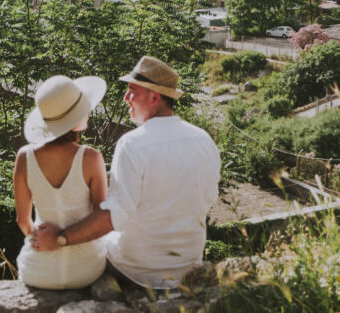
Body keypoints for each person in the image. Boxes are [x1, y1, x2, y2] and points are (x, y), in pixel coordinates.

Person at [31, 57, 221, 290]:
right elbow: (209, 198)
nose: (125, 98)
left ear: (154, 97)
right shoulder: (204, 140)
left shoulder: (133, 144)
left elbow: (113, 217)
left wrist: (60, 238)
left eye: (132, 91)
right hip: (187, 267)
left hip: (137, 271)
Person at [14, 74, 109, 289]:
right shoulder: (92, 158)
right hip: (86, 269)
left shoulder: (24, 156)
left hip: (38, 270)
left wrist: (42, 242)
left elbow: (22, 221)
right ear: (75, 120)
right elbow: (101, 218)